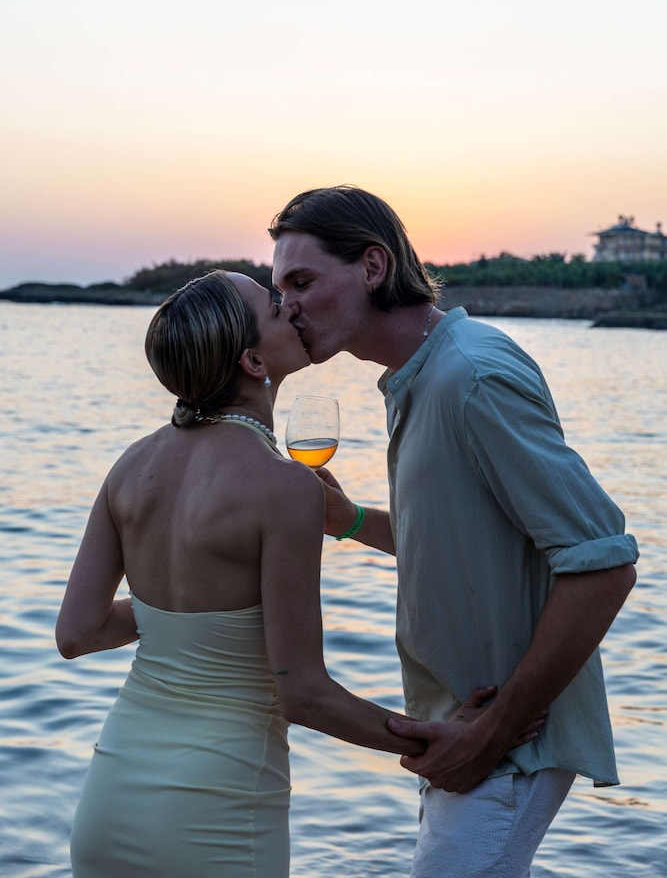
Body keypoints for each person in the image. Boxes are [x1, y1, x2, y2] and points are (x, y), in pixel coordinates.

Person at [56, 269, 533, 877]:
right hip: (216, 811)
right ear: (254, 361)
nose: (292, 310)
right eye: (275, 307)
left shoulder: (132, 464)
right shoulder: (283, 488)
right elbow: (303, 695)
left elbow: (78, 632)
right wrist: (435, 740)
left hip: (109, 800)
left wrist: (186, 623)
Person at [270, 185, 639, 878]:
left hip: (503, 742)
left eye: (301, 281)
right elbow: (463, 549)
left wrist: (494, 733)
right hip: (460, 731)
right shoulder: (422, 376)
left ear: (372, 268)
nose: (284, 305)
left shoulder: (470, 376)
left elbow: (602, 565)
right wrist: (346, 521)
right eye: (277, 287)